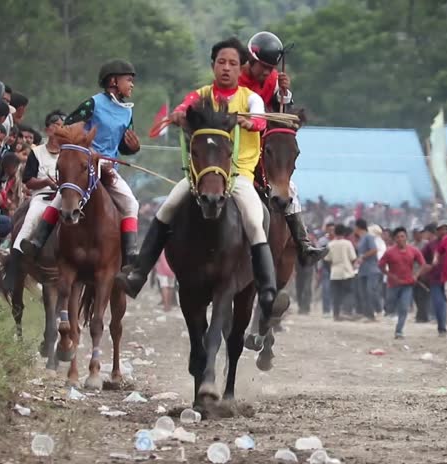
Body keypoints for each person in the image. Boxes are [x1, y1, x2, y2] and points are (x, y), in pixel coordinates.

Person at [116, 38, 277, 317]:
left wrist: (248, 121)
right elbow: (183, 108)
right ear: (213, 65)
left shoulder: (250, 99)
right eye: (221, 62)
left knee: (254, 218)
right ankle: (138, 275)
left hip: (237, 176)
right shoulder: (200, 95)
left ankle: (267, 288)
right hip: (200, 177)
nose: (226, 68)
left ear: (241, 69)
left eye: (233, 64)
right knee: (167, 208)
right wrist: (179, 115)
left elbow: (261, 121)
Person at [19, 60, 141, 266]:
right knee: (61, 198)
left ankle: (129, 258)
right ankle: (37, 242)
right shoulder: (93, 104)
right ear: (113, 81)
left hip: (109, 169)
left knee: (131, 203)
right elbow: (68, 127)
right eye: (128, 80)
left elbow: (121, 146)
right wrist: (87, 150)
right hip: (86, 166)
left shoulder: (127, 111)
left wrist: (133, 148)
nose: (132, 85)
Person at [239, 31, 326, 266]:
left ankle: (303, 244)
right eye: (263, 67)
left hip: (266, 146)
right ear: (251, 59)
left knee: (290, 189)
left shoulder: (275, 79)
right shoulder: (236, 80)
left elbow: (283, 112)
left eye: (271, 67)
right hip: (237, 147)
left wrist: (285, 93)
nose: (267, 72)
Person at [1, 110, 64, 290]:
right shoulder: (36, 153)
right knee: (29, 220)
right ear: (48, 129)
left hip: (64, 197)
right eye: (57, 125)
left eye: (63, 126)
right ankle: (14, 266)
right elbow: (28, 181)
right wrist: (45, 181)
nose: (60, 129)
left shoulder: (69, 152)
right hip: (43, 196)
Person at [379, 227, 429, 339]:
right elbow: (381, 265)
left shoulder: (414, 250)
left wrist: (416, 275)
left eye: (402, 236)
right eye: (398, 237)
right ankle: (389, 313)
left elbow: (423, 264)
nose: (400, 239)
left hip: (408, 284)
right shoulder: (389, 252)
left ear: (406, 237)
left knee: (404, 307)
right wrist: (389, 275)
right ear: (394, 239)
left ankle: (399, 331)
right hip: (393, 284)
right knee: (390, 305)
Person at [421, 222, 447, 336]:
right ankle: (442, 328)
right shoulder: (431, 245)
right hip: (435, 279)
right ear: (436, 231)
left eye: (446, 229)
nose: (443, 232)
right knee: (439, 303)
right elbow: (421, 257)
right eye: (441, 229)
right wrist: (426, 267)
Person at [326, 224, 357, 320]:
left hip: (335, 273)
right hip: (347, 272)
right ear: (344, 233)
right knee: (348, 293)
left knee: (336, 295)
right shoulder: (347, 243)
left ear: (335, 232)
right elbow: (353, 258)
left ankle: (336, 314)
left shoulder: (330, 244)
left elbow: (327, 259)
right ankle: (347, 312)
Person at [354, 219, 381, 321]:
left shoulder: (368, 237)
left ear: (358, 227)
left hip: (371, 269)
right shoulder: (361, 239)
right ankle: (368, 315)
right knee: (363, 293)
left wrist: (363, 257)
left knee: (371, 291)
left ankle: (378, 310)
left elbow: (374, 250)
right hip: (362, 270)